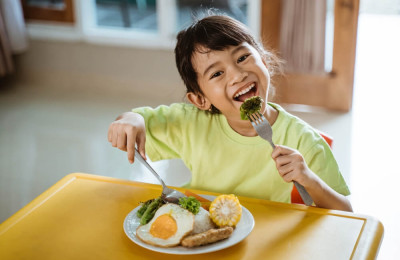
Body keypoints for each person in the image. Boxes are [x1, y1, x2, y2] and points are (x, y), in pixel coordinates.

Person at [108, 15, 352, 212]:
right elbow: (136, 121)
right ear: (200, 100)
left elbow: (346, 213)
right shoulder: (191, 122)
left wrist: (308, 178)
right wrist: (130, 119)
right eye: (216, 73)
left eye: (243, 57)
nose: (237, 75)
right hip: (201, 226)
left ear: (264, 63)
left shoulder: (303, 140)